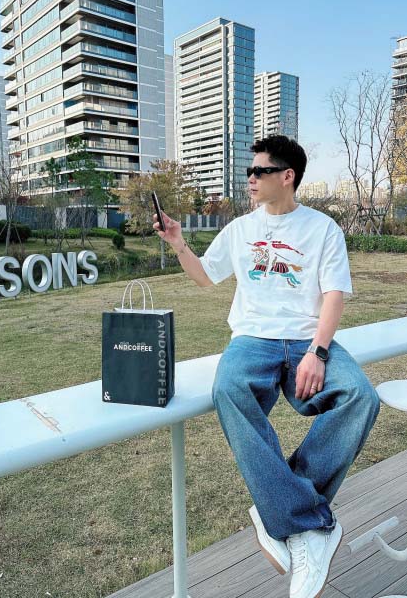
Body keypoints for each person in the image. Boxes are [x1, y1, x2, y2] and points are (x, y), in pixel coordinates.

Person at [152, 135, 380, 598]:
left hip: (306, 339)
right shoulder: (240, 229)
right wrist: (178, 243)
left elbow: (334, 293)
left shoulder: (323, 229)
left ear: (287, 176)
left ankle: (278, 506)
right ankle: (307, 522)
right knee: (228, 389)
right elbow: (205, 277)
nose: (250, 179)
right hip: (252, 339)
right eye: (249, 172)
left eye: (259, 171)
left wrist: (318, 352)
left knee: (361, 396)